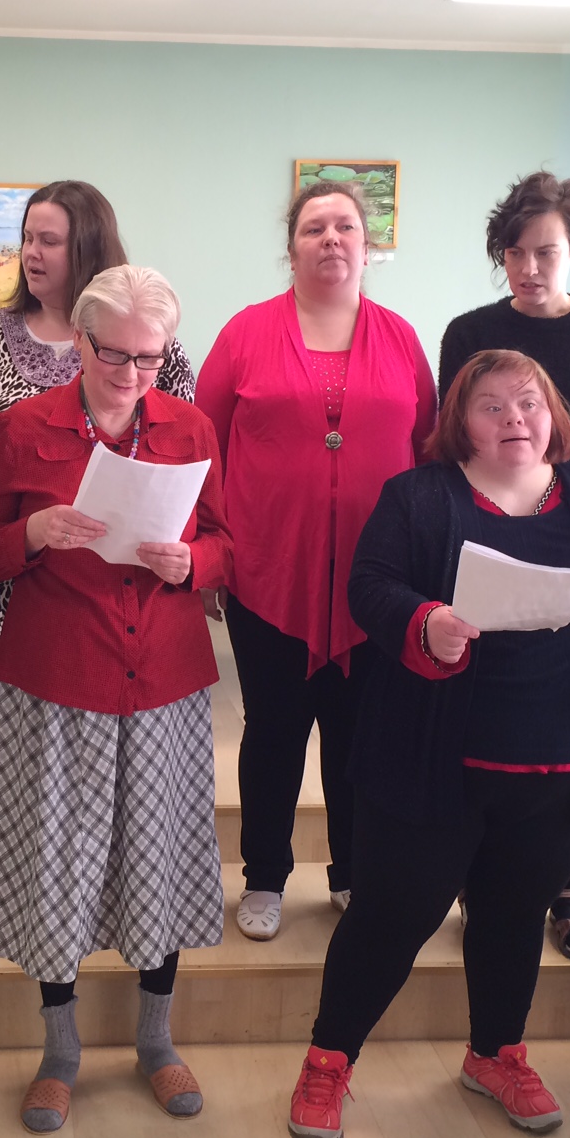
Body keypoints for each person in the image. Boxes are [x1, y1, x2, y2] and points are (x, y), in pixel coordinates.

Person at [286, 350, 570, 1138]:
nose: (513, 419)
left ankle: (495, 1054)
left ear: (553, 415)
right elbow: (371, 585)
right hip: (433, 764)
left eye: (528, 403)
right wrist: (423, 621)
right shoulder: (419, 496)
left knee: (514, 917)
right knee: (392, 918)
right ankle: (328, 1061)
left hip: (555, 765)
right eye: (490, 406)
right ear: (460, 422)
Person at [0, 265, 232, 1134]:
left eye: (151, 359)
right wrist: (34, 532)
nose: (132, 375)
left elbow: (226, 542)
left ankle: (156, 1039)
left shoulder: (190, 426)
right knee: (57, 861)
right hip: (57, 674)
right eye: (115, 355)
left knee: (160, 855)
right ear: (78, 341)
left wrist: (195, 563)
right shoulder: (23, 425)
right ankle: (60, 1052)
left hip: (164, 676)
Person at [195, 180, 436, 942]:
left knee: (360, 735)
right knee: (273, 731)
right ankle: (265, 875)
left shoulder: (401, 338)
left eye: (345, 227)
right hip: (268, 570)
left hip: (379, 581)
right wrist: (210, 552)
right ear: (292, 247)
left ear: (367, 247)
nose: (331, 238)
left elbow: (430, 451)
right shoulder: (245, 333)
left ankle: (352, 872)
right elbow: (201, 446)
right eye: (313, 228)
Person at [439, 172, 570, 961]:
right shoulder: (470, 331)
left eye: (546, 253)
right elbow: (452, 435)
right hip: (484, 529)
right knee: (488, 700)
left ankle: (568, 877)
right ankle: (480, 871)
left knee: (569, 708)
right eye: (515, 253)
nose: (529, 268)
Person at [0, 179, 195, 465]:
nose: (31, 252)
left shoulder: (152, 348)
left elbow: (180, 439)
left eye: (49, 241)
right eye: (28, 238)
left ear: (89, 251)